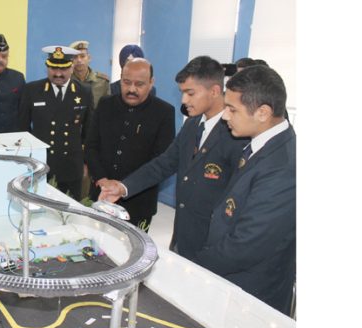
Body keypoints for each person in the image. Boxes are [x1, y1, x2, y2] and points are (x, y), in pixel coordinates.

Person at [99, 56, 246, 259]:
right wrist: (123, 187)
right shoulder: (193, 124)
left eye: (190, 93)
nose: (184, 101)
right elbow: (164, 164)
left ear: (213, 91)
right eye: (182, 93)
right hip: (184, 236)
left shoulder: (237, 134)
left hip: (215, 244)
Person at [194, 65, 295, 315]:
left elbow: (246, 245)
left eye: (232, 109)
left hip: (251, 294)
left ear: (262, 112)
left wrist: (193, 266)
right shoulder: (259, 144)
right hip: (231, 280)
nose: (225, 116)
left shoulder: (283, 168)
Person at [85, 58, 174, 230]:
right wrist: (103, 180)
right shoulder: (105, 105)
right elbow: (91, 146)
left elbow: (161, 159)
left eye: (139, 84)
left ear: (151, 83)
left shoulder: (163, 112)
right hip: (101, 195)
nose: (132, 89)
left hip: (139, 201)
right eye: (126, 82)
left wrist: (125, 186)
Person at [18, 46, 93, 200]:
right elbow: (22, 128)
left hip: (71, 165)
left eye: (63, 69)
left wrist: (86, 162)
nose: (58, 73)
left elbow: (89, 131)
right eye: (53, 68)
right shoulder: (32, 90)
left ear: (72, 67)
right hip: (42, 163)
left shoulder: (84, 91)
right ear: (47, 67)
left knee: (71, 211)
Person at [69, 40, 110, 108]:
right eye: (75, 57)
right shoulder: (66, 81)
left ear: (89, 58)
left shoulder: (102, 82)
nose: (79, 60)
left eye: (82, 56)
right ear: (71, 60)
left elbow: (108, 108)